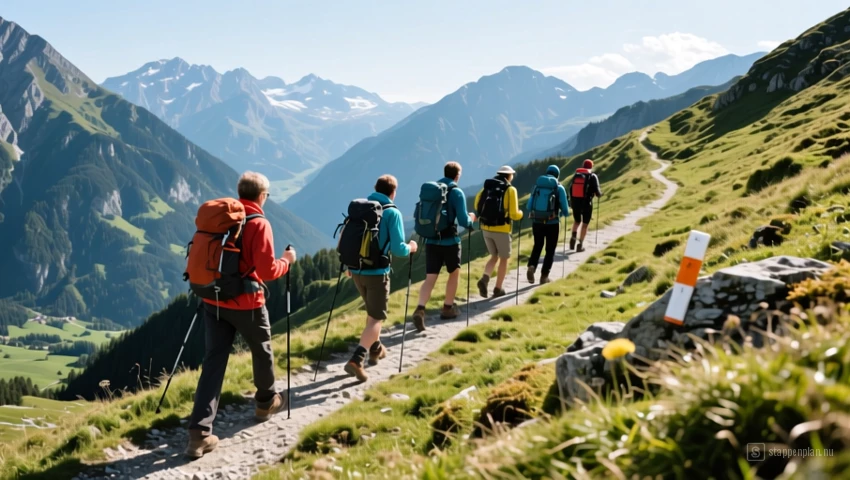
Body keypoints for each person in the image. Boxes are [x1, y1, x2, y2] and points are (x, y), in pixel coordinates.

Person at [185, 172, 297, 459]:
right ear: (262, 196)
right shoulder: (259, 223)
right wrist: (287, 261)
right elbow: (268, 271)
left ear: (240, 192)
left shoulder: (222, 219)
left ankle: (199, 434)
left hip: (213, 300)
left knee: (214, 361)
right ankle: (265, 402)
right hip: (247, 303)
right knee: (261, 349)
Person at [344, 175, 417, 382]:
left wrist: (350, 264)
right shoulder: (392, 212)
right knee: (376, 317)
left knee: (372, 312)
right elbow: (398, 249)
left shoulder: (360, 208)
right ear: (393, 192)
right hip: (377, 273)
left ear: (375, 188)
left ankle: (375, 348)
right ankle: (357, 359)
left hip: (356, 270)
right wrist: (411, 247)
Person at [411, 162, 476, 331]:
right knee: (454, 273)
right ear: (457, 175)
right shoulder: (456, 192)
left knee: (430, 277)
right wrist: (472, 218)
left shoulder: (433, 190)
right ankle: (448, 308)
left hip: (431, 241)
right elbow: (463, 221)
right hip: (450, 241)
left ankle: (420, 309)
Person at [475, 166, 523, 297]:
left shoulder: (487, 187)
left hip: (486, 228)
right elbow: (514, 214)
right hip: (502, 229)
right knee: (504, 258)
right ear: (509, 176)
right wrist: (521, 213)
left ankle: (484, 279)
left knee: (494, 256)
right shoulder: (510, 189)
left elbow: (477, 204)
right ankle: (498, 289)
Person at [526, 165, 570, 284]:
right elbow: (566, 210)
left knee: (537, 246)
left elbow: (529, 206)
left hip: (537, 222)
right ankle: (544, 277)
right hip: (552, 223)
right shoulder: (559, 188)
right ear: (557, 175)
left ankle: (532, 266)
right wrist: (560, 214)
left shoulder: (537, 187)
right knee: (550, 250)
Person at [568, 159, 603, 252]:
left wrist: (571, 201)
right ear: (591, 166)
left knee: (577, 221)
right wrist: (600, 194)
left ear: (583, 166)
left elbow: (571, 188)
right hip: (586, 204)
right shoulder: (592, 176)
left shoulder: (576, 175)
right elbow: (597, 192)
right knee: (585, 224)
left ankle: (573, 237)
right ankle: (580, 245)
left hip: (575, 203)